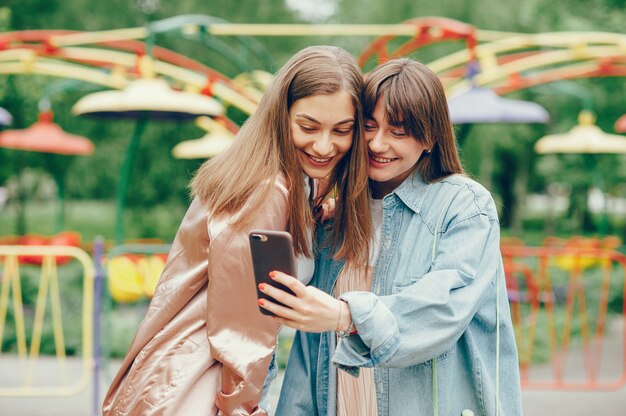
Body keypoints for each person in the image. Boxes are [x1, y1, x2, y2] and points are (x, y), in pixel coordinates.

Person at [102, 45, 371, 416]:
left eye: (342, 130)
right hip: (205, 383)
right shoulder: (266, 191)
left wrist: (319, 210)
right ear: (281, 116)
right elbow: (241, 326)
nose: (325, 145)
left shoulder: (282, 178)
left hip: (185, 370)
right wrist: (240, 406)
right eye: (308, 127)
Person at [260, 59, 523, 416]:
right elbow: (310, 358)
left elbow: (442, 309)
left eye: (398, 132)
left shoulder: (464, 205)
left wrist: (346, 316)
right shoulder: (337, 216)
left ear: (430, 136)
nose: (377, 143)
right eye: (368, 126)